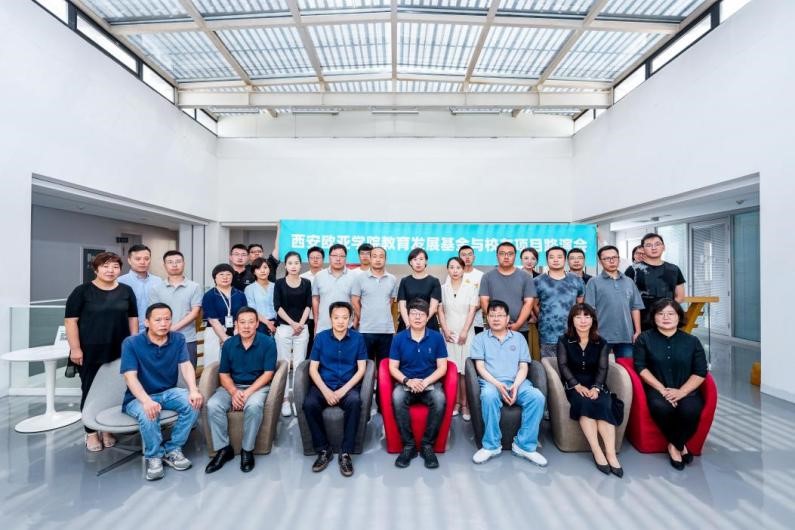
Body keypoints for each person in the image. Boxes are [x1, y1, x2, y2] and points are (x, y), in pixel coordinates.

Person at [65, 252, 138, 452]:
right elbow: (71, 321)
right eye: (105, 266)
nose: (110, 270)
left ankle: (106, 428)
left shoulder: (126, 290)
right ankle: (90, 432)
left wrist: (134, 344)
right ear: (96, 269)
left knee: (115, 391)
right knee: (90, 390)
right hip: (90, 350)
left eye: (115, 266)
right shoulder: (82, 291)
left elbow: (133, 318)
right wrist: (75, 348)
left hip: (120, 349)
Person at [120, 303, 202, 481]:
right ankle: (154, 456)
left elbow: (186, 365)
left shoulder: (178, 338)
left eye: (167, 319)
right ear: (147, 322)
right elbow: (130, 377)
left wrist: (193, 390)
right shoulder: (131, 343)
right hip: (138, 397)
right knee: (148, 412)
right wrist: (146, 401)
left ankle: (173, 448)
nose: (163, 323)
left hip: (168, 391)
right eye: (157, 320)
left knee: (194, 402)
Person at [634, 299, 708, 470]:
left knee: (690, 410)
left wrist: (681, 392)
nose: (665, 317)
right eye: (660, 314)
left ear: (678, 317)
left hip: (686, 389)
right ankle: (681, 446)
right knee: (661, 407)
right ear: (653, 317)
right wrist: (662, 390)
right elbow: (641, 367)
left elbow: (700, 372)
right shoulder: (644, 339)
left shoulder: (692, 341)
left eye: (670, 314)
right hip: (657, 389)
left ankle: (675, 445)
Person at [470, 300, 547, 467]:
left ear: (507, 318)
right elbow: (480, 367)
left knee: (537, 397)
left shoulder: (518, 338)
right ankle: (491, 445)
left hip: (517, 382)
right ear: (487, 318)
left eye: (500, 315)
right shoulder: (480, 338)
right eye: (492, 315)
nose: (496, 319)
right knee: (488, 396)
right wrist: (498, 384)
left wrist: (516, 386)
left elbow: (524, 366)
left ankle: (524, 445)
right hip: (491, 382)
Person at [205, 307, 277, 474]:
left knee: (254, 406)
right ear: (236, 324)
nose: (246, 326)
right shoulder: (229, 344)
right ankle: (224, 449)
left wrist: (247, 393)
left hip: (257, 387)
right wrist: (234, 392)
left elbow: (268, 374)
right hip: (233, 386)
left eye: (251, 322)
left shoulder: (268, 343)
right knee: (213, 405)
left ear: (257, 324)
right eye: (242, 322)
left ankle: (247, 450)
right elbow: (223, 374)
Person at [557, 303, 623, 477]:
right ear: (572, 320)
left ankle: (611, 454)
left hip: (596, 385)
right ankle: (597, 451)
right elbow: (563, 366)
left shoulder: (601, 342)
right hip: (574, 386)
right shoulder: (564, 340)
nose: (583, 321)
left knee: (604, 405)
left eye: (587, 316)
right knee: (584, 404)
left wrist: (596, 387)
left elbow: (603, 368)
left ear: (593, 320)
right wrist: (576, 385)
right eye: (578, 317)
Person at [302, 302, 367, 477]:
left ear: (350, 319)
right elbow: (313, 369)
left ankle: (345, 453)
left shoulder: (358, 339)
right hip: (324, 385)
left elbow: (362, 369)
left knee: (355, 402)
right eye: (336, 317)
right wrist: (325, 391)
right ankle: (324, 450)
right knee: (309, 404)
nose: (340, 321)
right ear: (330, 318)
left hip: (347, 386)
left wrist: (343, 391)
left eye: (345, 318)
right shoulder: (321, 338)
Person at [389, 298, 448, 469]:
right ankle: (409, 446)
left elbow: (442, 367)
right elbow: (392, 367)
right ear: (407, 315)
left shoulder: (436, 338)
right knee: (397, 396)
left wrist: (426, 381)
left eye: (421, 314)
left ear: (427, 317)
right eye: (413, 313)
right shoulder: (399, 338)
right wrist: (408, 381)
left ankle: (427, 445)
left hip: (429, 382)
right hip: (406, 382)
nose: (417, 317)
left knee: (439, 399)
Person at [584, 246, 644, 359]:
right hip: (601, 335)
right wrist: (592, 331)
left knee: (626, 367)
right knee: (598, 366)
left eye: (614, 257)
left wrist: (638, 331)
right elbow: (589, 309)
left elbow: (635, 307)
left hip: (626, 335)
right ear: (600, 261)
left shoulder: (629, 281)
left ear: (619, 259)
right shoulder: (593, 282)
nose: (611, 261)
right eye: (607, 258)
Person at [437, 257, 478, 421]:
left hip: (466, 332)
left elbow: (472, 311)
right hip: (448, 333)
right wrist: (445, 330)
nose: (455, 270)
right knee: (452, 370)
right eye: (451, 267)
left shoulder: (471, 287)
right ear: (447, 269)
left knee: (465, 371)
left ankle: (465, 404)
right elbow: (440, 311)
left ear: (463, 269)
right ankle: (454, 403)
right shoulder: (442, 288)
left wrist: (464, 331)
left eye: (458, 267)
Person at [274, 251, 312, 417]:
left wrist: (300, 324)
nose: (293, 266)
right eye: (290, 263)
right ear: (285, 265)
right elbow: (278, 306)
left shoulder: (306, 283)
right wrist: (292, 323)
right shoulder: (279, 283)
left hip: (302, 328)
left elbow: (308, 305)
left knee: (299, 365)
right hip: (284, 327)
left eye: (296, 263)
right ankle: (284, 400)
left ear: (300, 265)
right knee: (283, 365)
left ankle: (297, 399)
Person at [149, 250, 202, 366]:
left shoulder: (194, 287)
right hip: (162, 338)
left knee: (188, 372)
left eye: (178, 261)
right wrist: (166, 330)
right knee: (164, 372)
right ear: (164, 265)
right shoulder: (156, 288)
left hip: (187, 338)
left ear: (183, 263)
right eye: (170, 262)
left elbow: (195, 313)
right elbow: (154, 313)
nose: (174, 265)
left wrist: (173, 328)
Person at [351, 246, 398, 371]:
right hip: (366, 330)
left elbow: (391, 302)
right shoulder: (360, 278)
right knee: (366, 367)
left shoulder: (392, 279)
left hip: (386, 330)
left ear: (385, 259)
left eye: (381, 257)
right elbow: (355, 300)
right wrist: (363, 317)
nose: (378, 259)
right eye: (375, 256)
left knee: (384, 367)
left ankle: (381, 386)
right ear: (370, 259)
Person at [626, 233, 686, 330]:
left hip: (666, 321)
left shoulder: (674, 269)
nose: (653, 248)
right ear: (643, 249)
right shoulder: (633, 270)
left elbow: (680, 297)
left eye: (657, 244)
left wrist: (665, 311)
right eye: (649, 245)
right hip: (640, 323)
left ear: (663, 247)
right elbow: (625, 298)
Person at [534, 246, 584, 358]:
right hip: (547, 333)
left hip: (572, 332)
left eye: (559, 257)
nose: (555, 260)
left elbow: (580, 305)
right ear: (547, 260)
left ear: (565, 259)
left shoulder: (576, 279)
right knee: (549, 365)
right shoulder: (538, 281)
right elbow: (534, 304)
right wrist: (543, 317)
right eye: (552, 257)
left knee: (573, 364)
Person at [480, 242, 536, 337]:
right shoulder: (487, 277)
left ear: (515, 256)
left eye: (510, 254)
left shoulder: (526, 277)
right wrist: (496, 322)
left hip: (520, 329)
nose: (506, 257)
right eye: (502, 253)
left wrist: (517, 324)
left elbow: (529, 303)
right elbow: (484, 301)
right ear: (497, 256)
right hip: (495, 328)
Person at [118, 244, 163, 333]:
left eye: (146, 259)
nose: (142, 262)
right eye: (138, 259)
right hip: (127, 330)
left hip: (154, 330)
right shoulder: (120, 282)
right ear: (129, 260)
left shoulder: (158, 281)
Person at [312, 244, 356, 334]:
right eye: (335, 255)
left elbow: (357, 302)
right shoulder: (319, 276)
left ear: (346, 258)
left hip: (347, 327)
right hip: (323, 327)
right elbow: (315, 300)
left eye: (341, 256)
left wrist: (354, 324)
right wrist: (316, 322)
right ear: (329, 257)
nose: (338, 259)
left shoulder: (354, 277)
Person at [397, 248, 442, 331]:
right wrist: (408, 323)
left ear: (426, 261)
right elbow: (402, 305)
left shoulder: (434, 281)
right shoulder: (404, 281)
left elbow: (433, 306)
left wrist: (423, 321)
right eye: (415, 259)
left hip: (428, 322)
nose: (418, 262)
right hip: (407, 322)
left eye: (421, 259)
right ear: (410, 262)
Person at [203, 264, 247, 344]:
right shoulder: (209, 295)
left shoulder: (240, 294)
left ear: (232, 277)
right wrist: (225, 339)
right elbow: (213, 320)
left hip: (237, 331)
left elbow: (243, 315)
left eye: (228, 274)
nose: (225, 277)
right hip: (214, 332)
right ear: (215, 277)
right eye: (221, 274)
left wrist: (237, 331)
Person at [244, 257, 277, 336]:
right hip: (259, 323)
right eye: (258, 268)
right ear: (254, 272)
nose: (262, 271)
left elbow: (281, 306)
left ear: (269, 269)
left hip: (277, 322)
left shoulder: (276, 286)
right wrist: (267, 323)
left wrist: (276, 322)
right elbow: (252, 309)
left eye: (265, 267)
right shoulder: (249, 289)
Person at [301, 246, 325, 356]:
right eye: (312, 257)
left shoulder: (327, 276)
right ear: (308, 259)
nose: (315, 260)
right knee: (308, 347)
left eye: (318, 257)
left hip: (324, 318)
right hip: (307, 318)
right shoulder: (302, 277)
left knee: (323, 347)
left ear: (323, 259)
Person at [458, 245, 485, 334]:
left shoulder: (481, 275)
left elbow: (483, 299)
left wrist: (470, 310)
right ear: (459, 258)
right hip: (457, 322)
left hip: (476, 322)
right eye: (463, 255)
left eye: (469, 254)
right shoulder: (453, 275)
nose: (467, 257)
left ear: (474, 257)